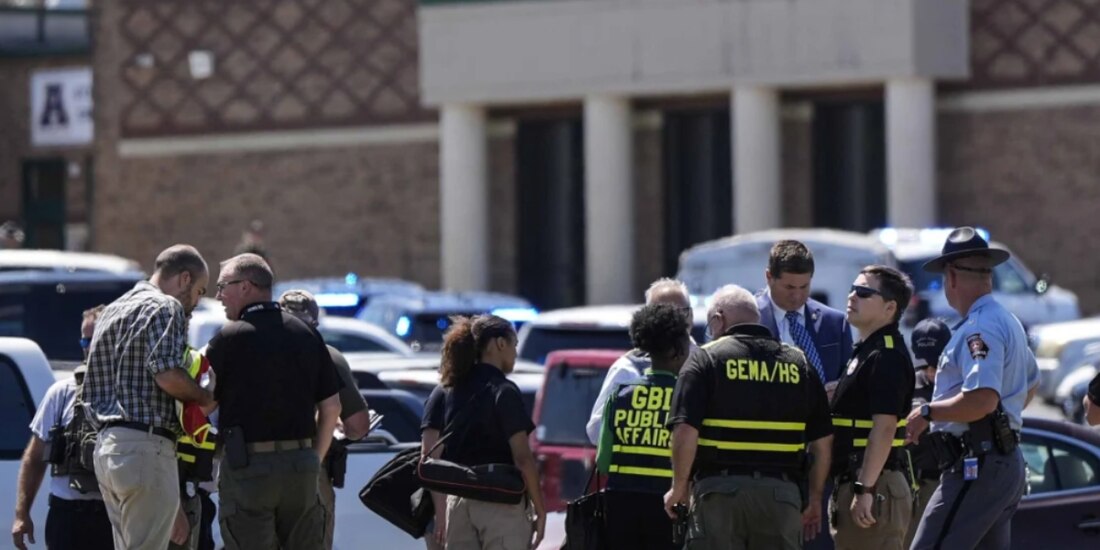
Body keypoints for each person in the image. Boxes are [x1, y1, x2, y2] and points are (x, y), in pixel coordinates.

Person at [664, 284, 834, 550]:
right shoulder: (799, 363)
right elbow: (822, 443)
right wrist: (814, 498)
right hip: (781, 498)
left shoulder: (705, 359)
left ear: (719, 319)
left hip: (718, 496)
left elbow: (685, 430)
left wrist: (679, 487)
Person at [904, 227, 1040, 550]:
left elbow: (982, 399)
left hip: (977, 464)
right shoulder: (1007, 322)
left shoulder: (979, 327)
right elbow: (1030, 385)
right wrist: (1004, 422)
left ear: (951, 277)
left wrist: (927, 411)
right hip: (999, 462)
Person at [205, 253, 342, 550]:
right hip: (302, 467)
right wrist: (314, 458)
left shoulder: (227, 339)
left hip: (249, 469)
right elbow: (332, 407)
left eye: (223, 286)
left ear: (246, 286)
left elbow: (204, 405)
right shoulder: (306, 334)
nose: (218, 296)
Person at [82, 244, 215, 550]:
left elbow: (88, 388)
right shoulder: (166, 307)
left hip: (106, 449)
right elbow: (166, 373)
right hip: (145, 446)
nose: (196, 302)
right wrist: (204, 397)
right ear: (184, 278)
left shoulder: (110, 311)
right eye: (199, 291)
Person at [757, 239, 852, 550]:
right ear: (768, 277)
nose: (797, 296)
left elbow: (849, 385)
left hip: (820, 456)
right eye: (788, 287)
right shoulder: (747, 319)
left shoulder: (834, 323)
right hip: (765, 460)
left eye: (804, 286)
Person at [421, 315, 546, 550]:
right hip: (499, 501)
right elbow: (522, 458)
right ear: (499, 344)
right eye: (514, 345)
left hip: (458, 502)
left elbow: (431, 452)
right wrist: (540, 508)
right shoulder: (504, 390)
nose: (516, 354)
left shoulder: (451, 389)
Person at [828, 266, 916, 550]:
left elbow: (885, 426)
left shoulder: (886, 354)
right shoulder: (867, 350)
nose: (852, 296)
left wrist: (864, 488)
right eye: (852, 289)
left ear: (890, 307)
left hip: (875, 486)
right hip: (857, 481)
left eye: (864, 292)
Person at [12, 306, 112, 550]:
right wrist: (22, 513)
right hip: (68, 516)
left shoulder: (130, 393)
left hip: (113, 516)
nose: (87, 346)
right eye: (84, 339)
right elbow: (35, 457)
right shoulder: (62, 392)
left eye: (94, 339)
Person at [279, 289, 372, 550]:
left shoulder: (248, 348)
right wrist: (332, 426)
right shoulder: (327, 356)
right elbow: (358, 426)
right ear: (315, 323)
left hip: (254, 467)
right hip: (309, 467)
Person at [595, 303, 692, 550]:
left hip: (620, 506)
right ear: (678, 350)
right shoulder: (685, 400)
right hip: (668, 507)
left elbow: (603, 462)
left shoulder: (619, 395)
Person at [587, 278, 695, 444]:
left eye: (680, 312)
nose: (672, 321)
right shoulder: (628, 368)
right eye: (663, 313)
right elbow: (596, 431)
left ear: (691, 315)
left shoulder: (707, 363)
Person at [904, 318, 952, 549]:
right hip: (914, 486)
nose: (931, 371)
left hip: (948, 482)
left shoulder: (961, 387)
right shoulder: (907, 384)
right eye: (925, 364)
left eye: (937, 363)